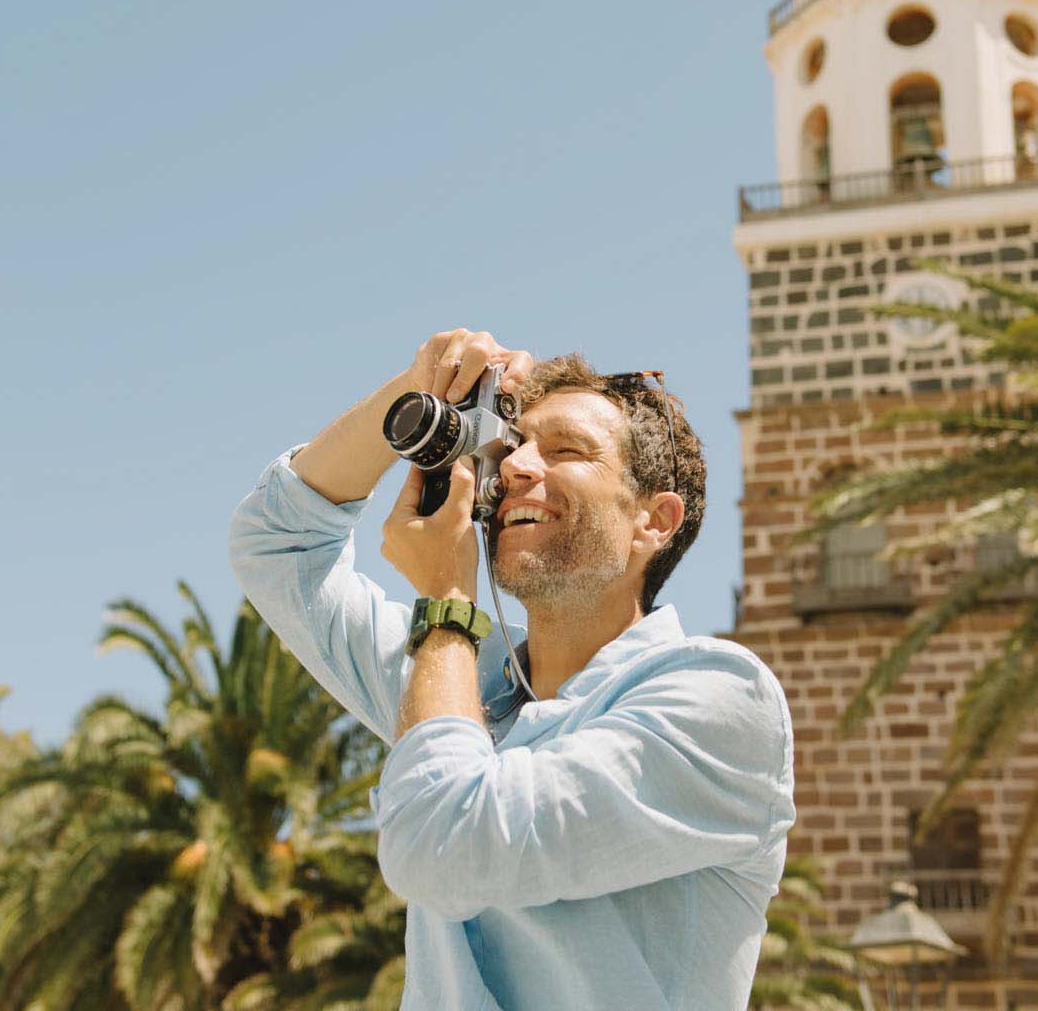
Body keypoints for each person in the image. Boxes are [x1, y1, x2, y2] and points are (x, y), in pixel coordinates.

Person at [229, 329, 795, 1011]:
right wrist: (418, 387)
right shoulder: (465, 678)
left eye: (566, 451)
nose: (518, 467)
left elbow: (446, 844)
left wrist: (447, 603)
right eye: (511, 446)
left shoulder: (720, 698)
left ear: (655, 520)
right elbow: (275, 544)